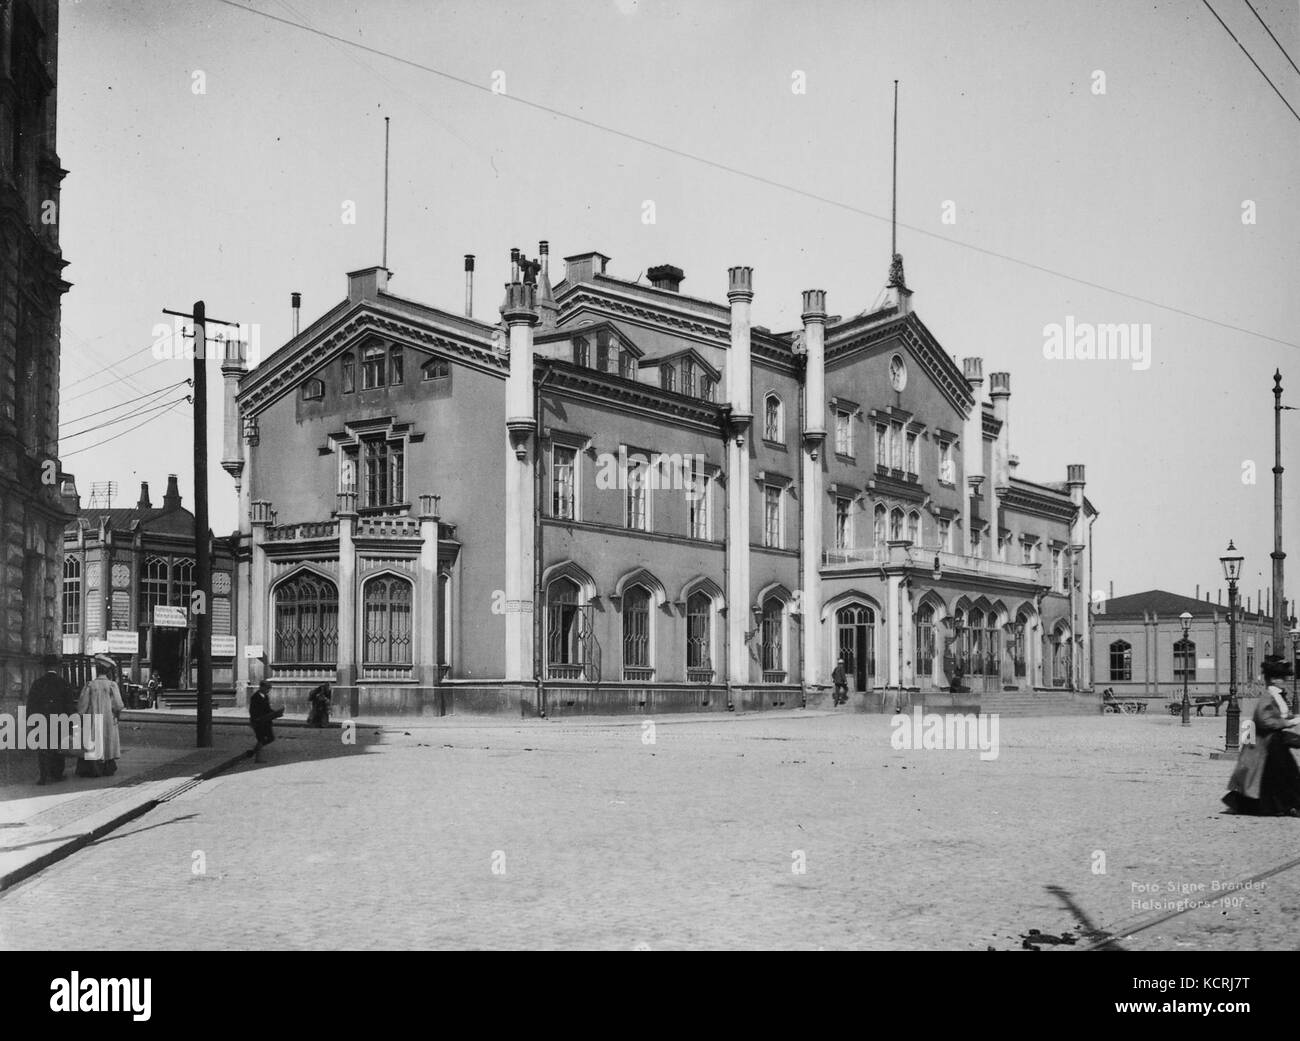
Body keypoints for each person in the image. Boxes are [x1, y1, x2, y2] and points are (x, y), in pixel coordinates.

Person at [1222, 655, 1300, 816]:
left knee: (1279, 773)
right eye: (1279, 678)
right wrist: (1287, 723)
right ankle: (1284, 805)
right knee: (1281, 773)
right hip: (1267, 743)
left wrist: (1290, 719)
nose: (1282, 680)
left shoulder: (1277, 695)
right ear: (1272, 679)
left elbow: (1278, 715)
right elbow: (1264, 719)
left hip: (1275, 740)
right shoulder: (1268, 695)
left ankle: (1283, 805)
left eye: (1282, 677)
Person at [26, 653, 76, 785]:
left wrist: (31, 722)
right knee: (59, 748)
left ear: (44, 667)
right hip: (60, 721)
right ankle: (57, 774)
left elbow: (31, 704)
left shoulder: (38, 683)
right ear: (57, 667)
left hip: (41, 721)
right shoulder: (64, 683)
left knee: (43, 749)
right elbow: (69, 706)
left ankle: (43, 776)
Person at [76, 655, 124, 778]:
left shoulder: (90, 685)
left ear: (97, 670)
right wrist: (115, 714)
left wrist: (82, 716)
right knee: (108, 741)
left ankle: (94, 768)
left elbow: (82, 706)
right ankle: (107, 767)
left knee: (93, 741)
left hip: (93, 719)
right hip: (108, 719)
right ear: (108, 671)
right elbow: (118, 704)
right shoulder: (112, 685)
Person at [249, 679, 284, 763]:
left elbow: (267, 709)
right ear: (261, 687)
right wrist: (256, 719)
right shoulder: (255, 697)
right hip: (258, 721)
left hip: (266, 721)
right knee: (261, 738)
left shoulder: (265, 697)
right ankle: (258, 758)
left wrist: (275, 713)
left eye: (269, 689)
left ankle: (254, 751)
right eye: (267, 688)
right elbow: (252, 711)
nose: (268, 690)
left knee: (270, 738)